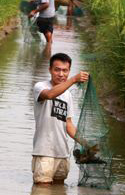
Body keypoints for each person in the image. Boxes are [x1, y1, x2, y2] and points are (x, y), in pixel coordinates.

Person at [32, 53, 89, 184]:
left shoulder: (68, 95)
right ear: (50, 70)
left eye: (65, 70)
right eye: (57, 70)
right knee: (42, 194)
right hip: (44, 152)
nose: (61, 74)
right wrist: (74, 80)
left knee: (59, 194)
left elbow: (68, 125)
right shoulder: (40, 87)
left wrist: (87, 144)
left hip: (62, 153)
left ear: (69, 71)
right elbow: (50, 94)